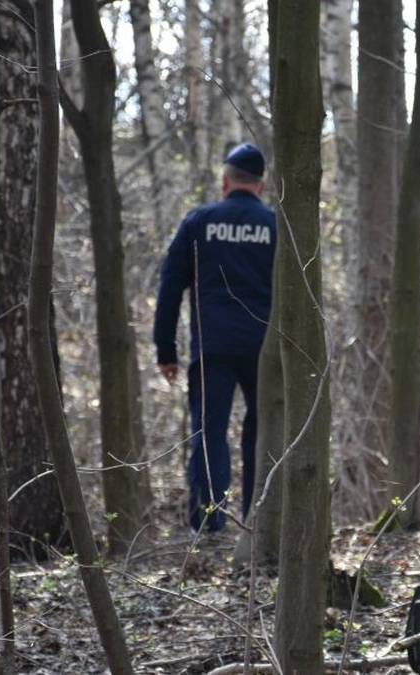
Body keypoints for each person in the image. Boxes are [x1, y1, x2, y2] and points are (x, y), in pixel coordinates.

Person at [154, 143, 276, 533]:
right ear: (261, 185)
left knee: (209, 434)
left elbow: (170, 287)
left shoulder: (199, 223)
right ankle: (258, 522)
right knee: (262, 433)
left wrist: (166, 350)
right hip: (264, 348)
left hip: (213, 347)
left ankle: (208, 526)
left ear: (225, 182)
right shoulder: (275, 226)